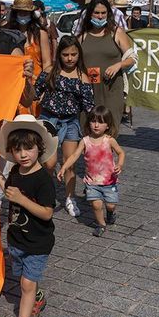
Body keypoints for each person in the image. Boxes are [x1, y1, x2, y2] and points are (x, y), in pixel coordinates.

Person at [0, 114, 57, 317]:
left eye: (28, 149)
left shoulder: (43, 180)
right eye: (17, 150)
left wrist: (22, 199)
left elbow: (47, 213)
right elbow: (11, 192)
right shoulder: (17, 172)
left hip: (38, 242)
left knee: (26, 284)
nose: (23, 155)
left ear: (39, 148)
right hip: (16, 239)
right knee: (23, 278)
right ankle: (38, 297)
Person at [35, 36, 95, 217]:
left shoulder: (82, 77)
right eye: (65, 54)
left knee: (70, 164)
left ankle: (70, 198)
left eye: (73, 54)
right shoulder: (50, 71)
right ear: (59, 55)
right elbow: (35, 93)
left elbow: (89, 106)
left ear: (79, 55)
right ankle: (45, 194)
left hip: (71, 122)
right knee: (49, 163)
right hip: (49, 119)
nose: (70, 58)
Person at [57, 106, 125, 237]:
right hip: (91, 181)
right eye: (93, 121)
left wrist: (120, 164)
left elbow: (121, 152)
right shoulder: (85, 141)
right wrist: (64, 167)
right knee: (96, 204)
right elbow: (74, 155)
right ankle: (101, 225)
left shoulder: (109, 140)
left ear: (107, 125)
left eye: (100, 122)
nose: (96, 125)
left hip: (109, 180)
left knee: (110, 205)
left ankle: (110, 213)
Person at [78, 0, 136, 141]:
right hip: (89, 92)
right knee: (89, 132)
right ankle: (91, 162)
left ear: (108, 14)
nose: (100, 16)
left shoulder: (117, 32)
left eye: (103, 13)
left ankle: (106, 162)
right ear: (90, 13)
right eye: (96, 13)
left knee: (109, 133)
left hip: (112, 90)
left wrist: (118, 65)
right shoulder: (82, 36)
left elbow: (132, 58)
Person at [6, 0, 52, 115]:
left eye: (25, 12)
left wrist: (43, 87)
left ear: (31, 14)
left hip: (35, 85)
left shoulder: (40, 33)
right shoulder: (6, 33)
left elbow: (47, 63)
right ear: (14, 13)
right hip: (12, 85)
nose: (22, 15)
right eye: (19, 12)